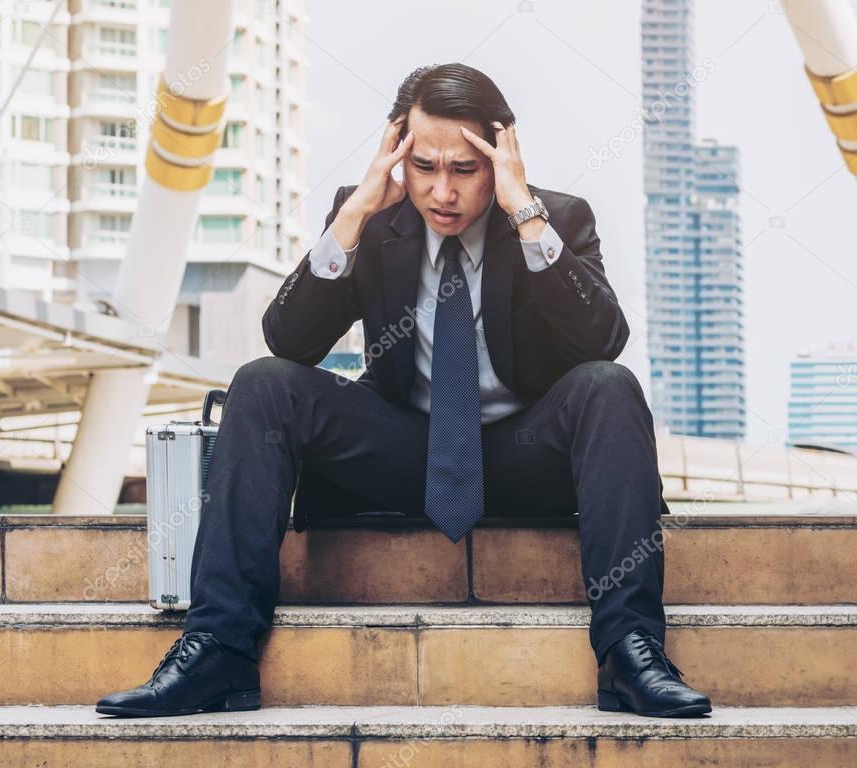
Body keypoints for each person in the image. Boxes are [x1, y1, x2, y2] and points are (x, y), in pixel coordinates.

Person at [96, 63, 712, 719]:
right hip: (401, 453)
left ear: (500, 157)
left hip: (524, 453)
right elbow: (290, 341)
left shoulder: (555, 218)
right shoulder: (372, 218)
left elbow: (602, 341)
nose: (442, 191)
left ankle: (630, 650)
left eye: (464, 170)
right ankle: (217, 648)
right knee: (263, 384)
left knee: (609, 386)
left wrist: (523, 212)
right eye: (424, 167)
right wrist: (358, 212)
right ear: (398, 156)